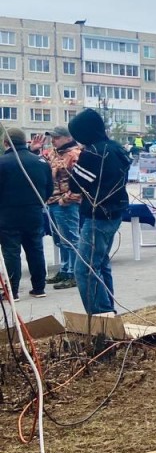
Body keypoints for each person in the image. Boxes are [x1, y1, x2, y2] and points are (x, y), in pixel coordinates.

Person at [66, 109, 131, 315]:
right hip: (115, 211)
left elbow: (76, 186)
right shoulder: (115, 148)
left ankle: (100, 315)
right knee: (101, 265)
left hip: (98, 214)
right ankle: (108, 310)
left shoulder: (92, 153)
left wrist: (72, 167)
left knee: (84, 269)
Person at [0, 126, 53, 300]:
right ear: (25, 142)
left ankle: (13, 291)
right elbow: (49, 189)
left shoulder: (2, 163)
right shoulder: (41, 162)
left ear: (5, 143)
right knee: (35, 249)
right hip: (34, 213)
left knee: (11, 252)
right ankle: (39, 288)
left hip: (8, 214)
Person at [44, 126, 82, 290]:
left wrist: (68, 199)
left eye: (56, 138)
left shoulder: (75, 155)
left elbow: (81, 182)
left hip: (66, 203)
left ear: (67, 138)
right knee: (60, 240)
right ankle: (65, 269)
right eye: (52, 138)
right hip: (52, 201)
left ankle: (75, 273)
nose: (53, 141)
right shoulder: (53, 153)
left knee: (71, 239)